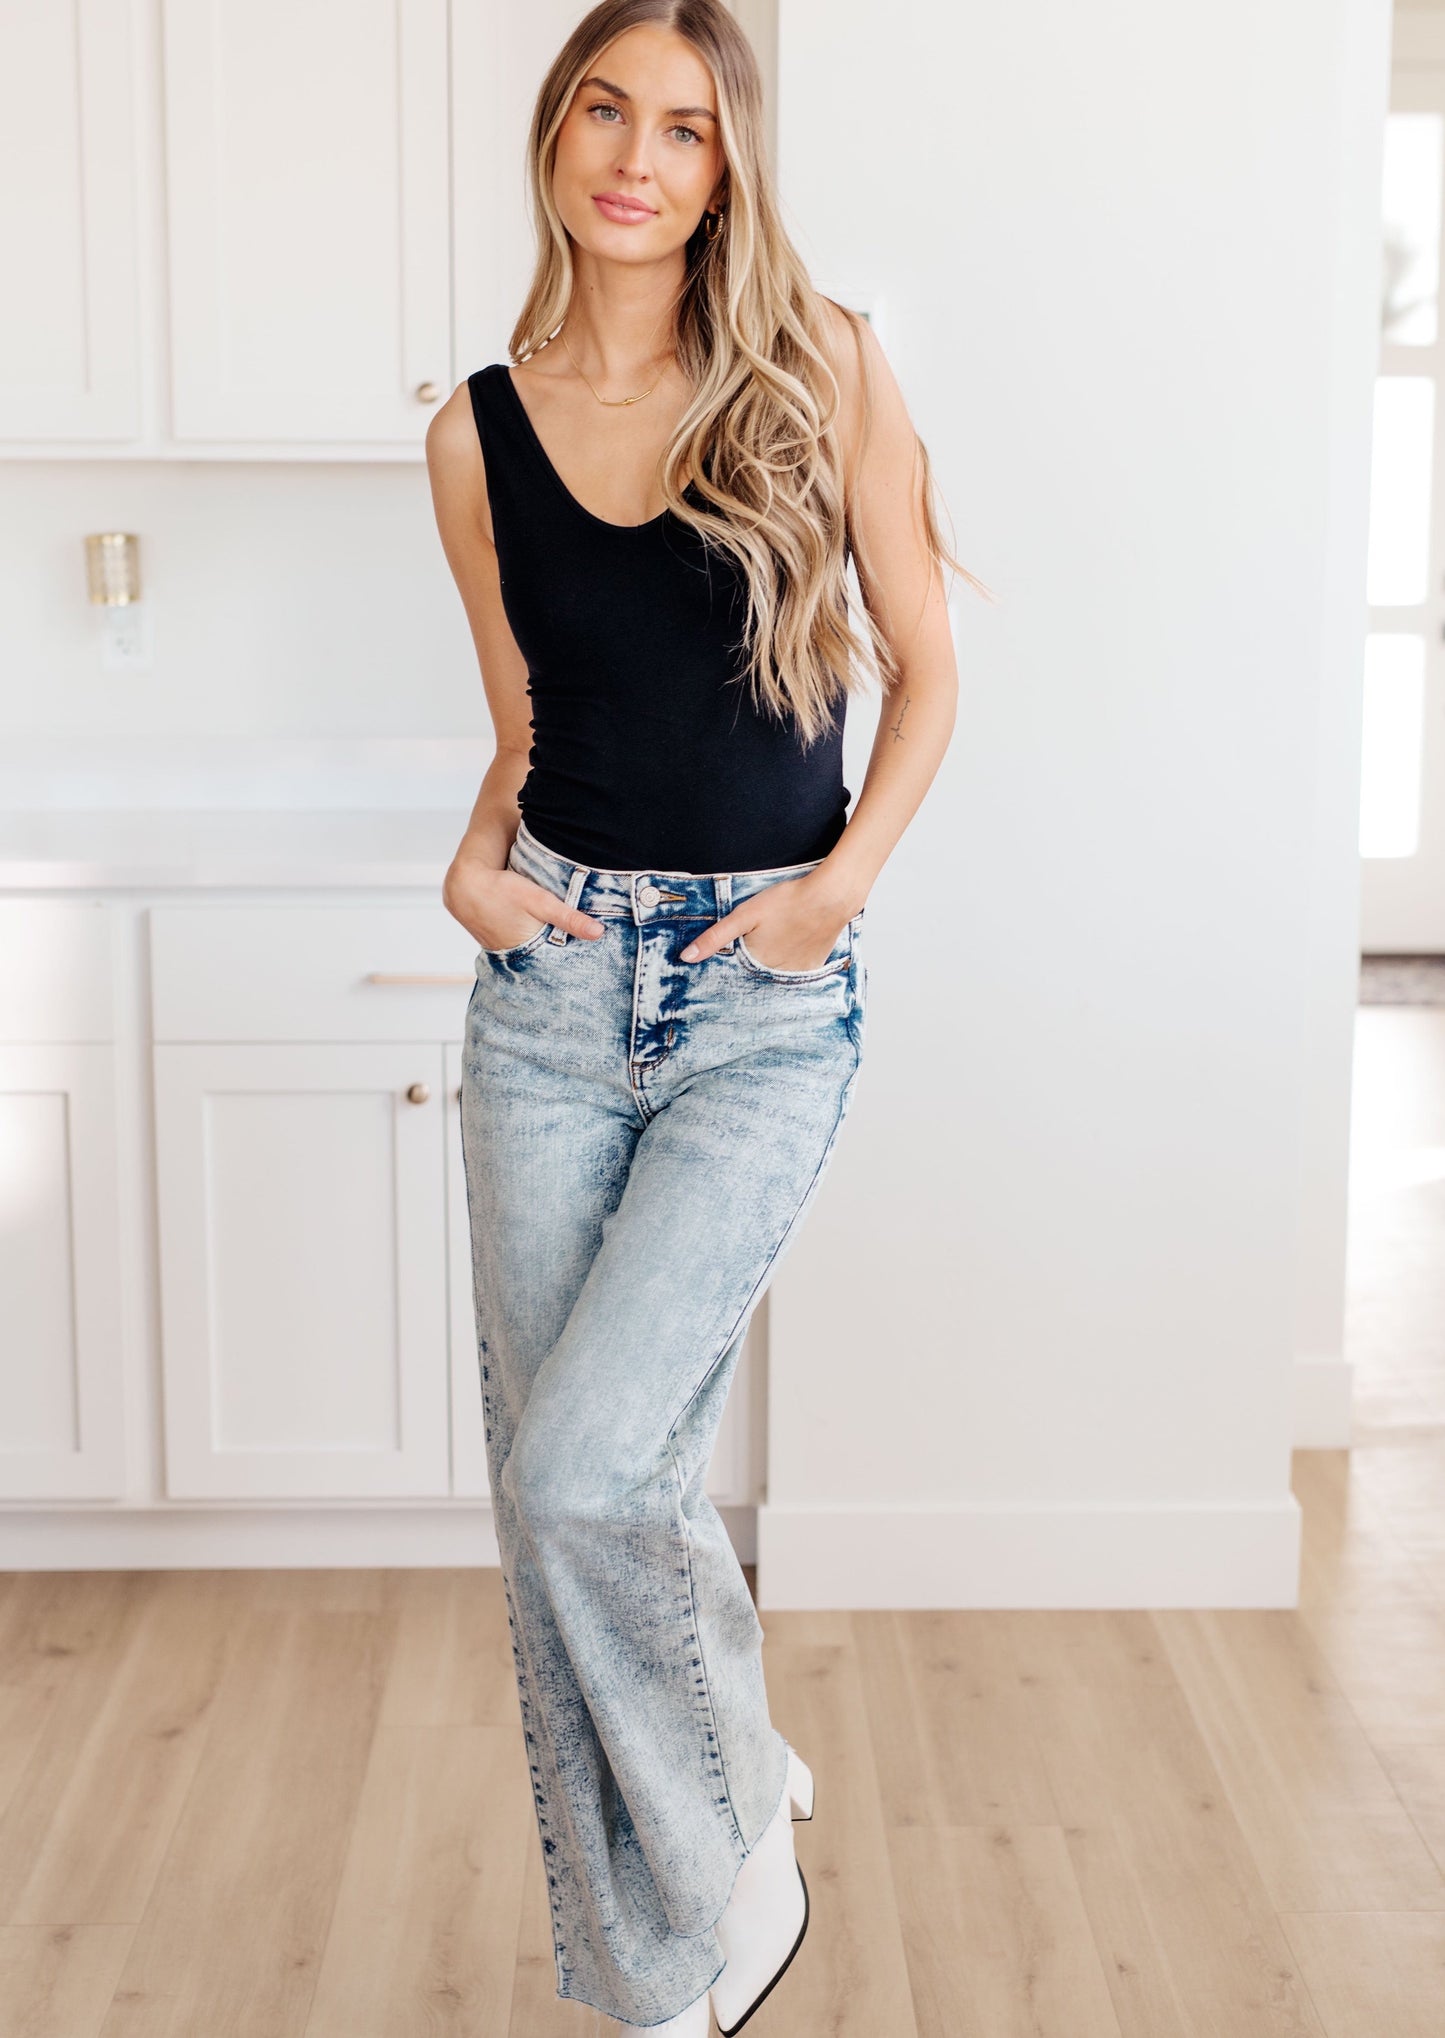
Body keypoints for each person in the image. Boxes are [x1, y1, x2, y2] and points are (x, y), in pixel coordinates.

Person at [426, 2, 968, 2028]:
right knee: (550, 1497)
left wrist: (835, 892)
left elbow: (925, 668)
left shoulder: (821, 365)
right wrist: (472, 863)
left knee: (594, 1465)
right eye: (604, 112)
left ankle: (733, 1816)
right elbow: (527, 724)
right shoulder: (474, 433)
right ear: (554, 137)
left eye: (682, 128)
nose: (635, 158)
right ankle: (649, 1978)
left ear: (727, 164)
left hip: (758, 1000)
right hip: (551, 988)